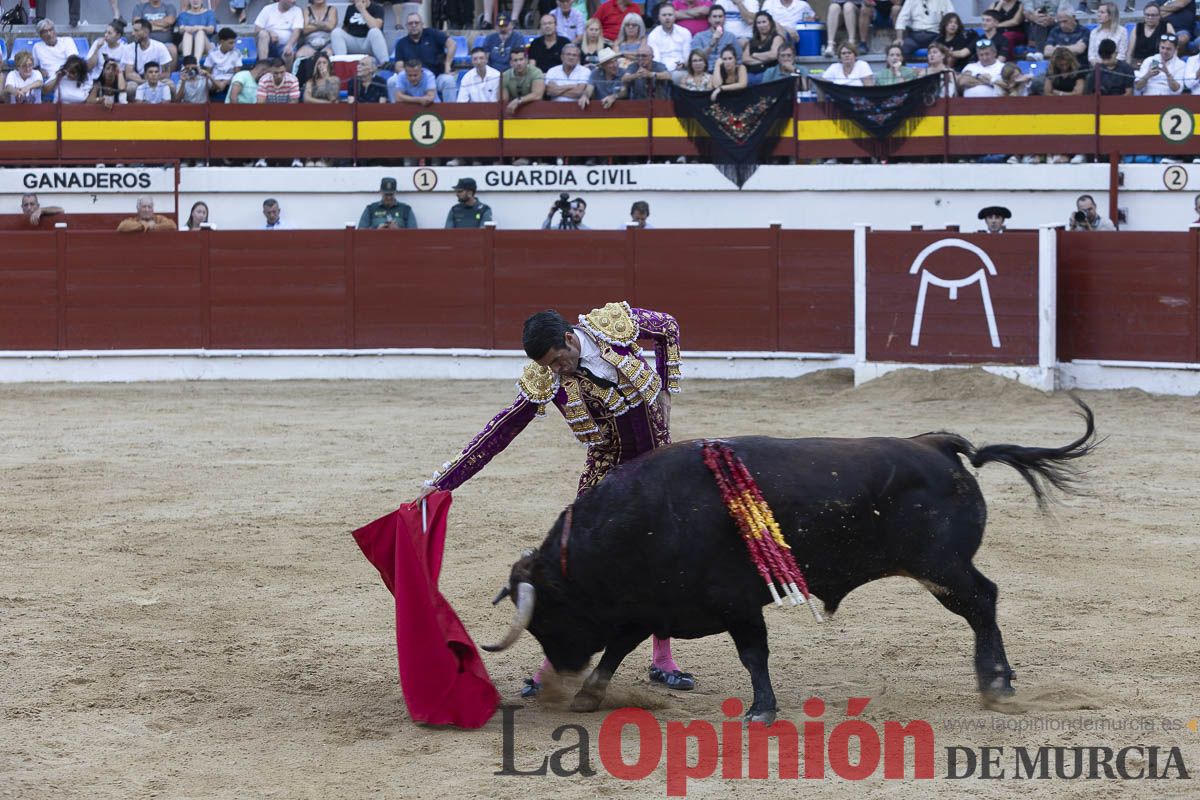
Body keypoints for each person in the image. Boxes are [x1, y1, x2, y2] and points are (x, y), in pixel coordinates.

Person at [413, 302, 688, 697]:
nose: (557, 369)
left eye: (559, 359)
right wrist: (442, 482)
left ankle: (663, 660)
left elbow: (668, 327)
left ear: (570, 338)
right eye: (549, 366)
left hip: (659, 465)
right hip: (606, 470)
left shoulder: (614, 327)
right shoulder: (547, 379)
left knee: (660, 557)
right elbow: (500, 432)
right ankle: (550, 667)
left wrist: (664, 387)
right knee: (575, 564)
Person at [393, 11, 458, 102]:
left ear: (422, 24)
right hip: (412, 80)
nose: (414, 25)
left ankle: (450, 114)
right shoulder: (401, 43)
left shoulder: (432, 34)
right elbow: (398, 66)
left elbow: (452, 44)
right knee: (392, 81)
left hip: (436, 77)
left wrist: (447, 64)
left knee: (449, 80)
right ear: (407, 26)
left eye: (416, 23)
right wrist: (412, 76)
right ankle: (396, 114)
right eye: (410, 23)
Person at [127, 18, 175, 99]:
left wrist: (153, 80)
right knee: (131, 87)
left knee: (171, 85)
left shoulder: (160, 47)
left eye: (136, 31)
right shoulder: (129, 48)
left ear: (146, 32)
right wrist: (144, 82)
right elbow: (128, 73)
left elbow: (166, 73)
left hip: (157, 79)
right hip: (140, 80)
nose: (133, 33)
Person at [332, 0, 389, 65]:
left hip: (368, 43)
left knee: (375, 31)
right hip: (353, 42)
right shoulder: (350, 8)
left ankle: (385, 64)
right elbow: (345, 28)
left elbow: (376, 26)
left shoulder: (378, 8)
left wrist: (362, 10)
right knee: (336, 32)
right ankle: (341, 64)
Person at [255, 0, 303, 71]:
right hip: (269, 44)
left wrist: (289, 45)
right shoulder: (268, 9)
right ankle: (263, 69)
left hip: (285, 46)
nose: (294, 1)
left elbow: (296, 31)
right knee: (263, 34)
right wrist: (270, 32)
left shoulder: (297, 11)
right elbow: (257, 29)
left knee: (289, 52)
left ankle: (287, 78)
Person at [132, 0, 180, 69]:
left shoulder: (169, 7)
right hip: (145, 42)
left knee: (173, 49)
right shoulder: (139, 7)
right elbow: (137, 23)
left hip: (165, 43)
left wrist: (146, 23)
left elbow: (170, 21)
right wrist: (160, 27)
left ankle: (168, 76)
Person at [648, 5, 694, 73]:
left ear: (675, 16)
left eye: (670, 15)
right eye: (664, 15)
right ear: (659, 17)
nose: (667, 18)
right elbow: (656, 59)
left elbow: (687, 56)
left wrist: (683, 65)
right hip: (662, 70)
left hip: (682, 69)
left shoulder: (685, 32)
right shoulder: (653, 35)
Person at [33, 20, 80, 85]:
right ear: (40, 35)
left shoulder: (67, 41)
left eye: (50, 30)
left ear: (55, 31)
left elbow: (73, 60)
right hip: (49, 80)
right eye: (45, 32)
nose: (49, 34)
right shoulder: (37, 47)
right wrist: (40, 70)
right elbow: (34, 66)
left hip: (67, 76)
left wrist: (62, 73)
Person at [1128, 3, 1174, 68]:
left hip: (1157, 63)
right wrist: (1128, 67)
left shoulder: (1166, 26)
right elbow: (1130, 52)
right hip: (1138, 63)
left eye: (1153, 15)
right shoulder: (1138, 27)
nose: (1150, 17)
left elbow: (1174, 46)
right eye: (1147, 15)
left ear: (1159, 16)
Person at [692, 6, 738, 71]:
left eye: (720, 16)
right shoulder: (699, 37)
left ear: (725, 19)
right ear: (709, 19)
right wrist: (712, 43)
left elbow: (738, 59)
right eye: (714, 17)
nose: (717, 20)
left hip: (726, 71)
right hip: (705, 71)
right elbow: (696, 59)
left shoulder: (731, 37)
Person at [502, 49, 546, 114]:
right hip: (513, 111)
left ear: (526, 60)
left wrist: (518, 101)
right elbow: (504, 100)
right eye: (515, 60)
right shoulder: (505, 76)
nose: (519, 63)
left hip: (536, 109)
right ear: (511, 63)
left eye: (521, 59)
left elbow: (537, 95)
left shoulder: (536, 72)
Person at [742, 11, 783, 78]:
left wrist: (754, 55)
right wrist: (763, 62)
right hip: (751, 73)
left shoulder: (777, 38)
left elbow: (773, 55)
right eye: (759, 23)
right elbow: (745, 58)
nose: (761, 25)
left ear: (770, 23)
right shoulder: (752, 41)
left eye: (764, 22)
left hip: (769, 73)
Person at [204, 28, 242, 97]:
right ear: (222, 41)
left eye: (234, 42)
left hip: (230, 79)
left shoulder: (237, 53)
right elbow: (208, 72)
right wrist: (217, 83)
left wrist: (225, 82)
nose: (233, 45)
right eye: (230, 43)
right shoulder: (212, 53)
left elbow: (237, 74)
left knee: (237, 82)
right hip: (215, 80)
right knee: (205, 83)